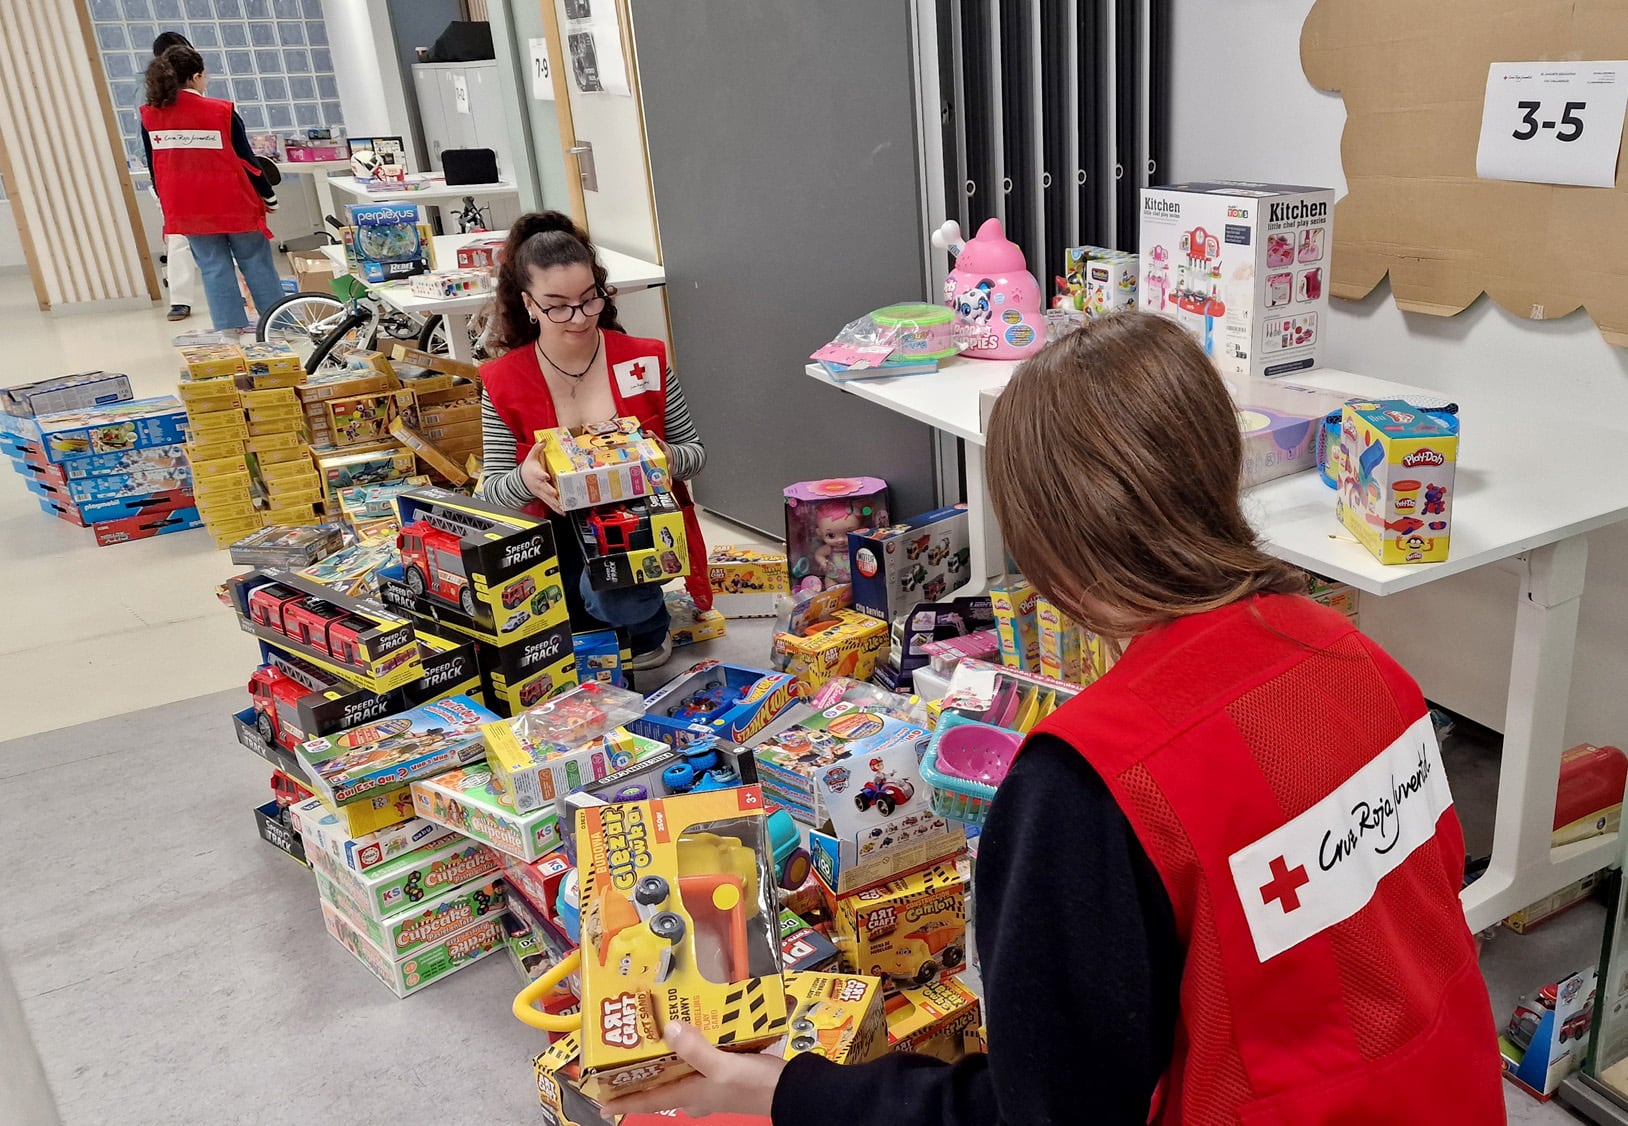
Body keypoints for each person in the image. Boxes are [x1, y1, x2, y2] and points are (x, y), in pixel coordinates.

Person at [605, 313, 1506, 1124]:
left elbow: (1043, 1118)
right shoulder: (1350, 651)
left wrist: (791, 1095)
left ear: (1049, 547)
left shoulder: (1089, 783)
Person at [478, 211, 709, 671]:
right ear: (528, 303)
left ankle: (643, 626)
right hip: (551, 535)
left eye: (589, 300)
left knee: (614, 596)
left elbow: (695, 455)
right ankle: (593, 631)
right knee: (561, 623)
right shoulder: (503, 380)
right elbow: (488, 491)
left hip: (635, 525)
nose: (578, 318)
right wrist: (526, 478)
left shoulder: (642, 360)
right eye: (557, 305)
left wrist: (658, 457)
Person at [140, 44, 281, 335]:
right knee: (256, 263)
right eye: (205, 75)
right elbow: (247, 161)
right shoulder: (221, 111)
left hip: (188, 209)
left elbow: (155, 167)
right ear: (195, 77)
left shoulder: (150, 116)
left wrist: (168, 205)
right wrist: (269, 195)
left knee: (213, 268)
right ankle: (278, 327)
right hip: (234, 203)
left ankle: (229, 333)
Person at [147, 31, 197, 321]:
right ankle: (180, 300)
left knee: (215, 236)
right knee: (178, 239)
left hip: (201, 175)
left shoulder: (200, 96)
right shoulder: (155, 103)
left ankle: (236, 293)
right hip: (173, 178)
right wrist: (159, 185)